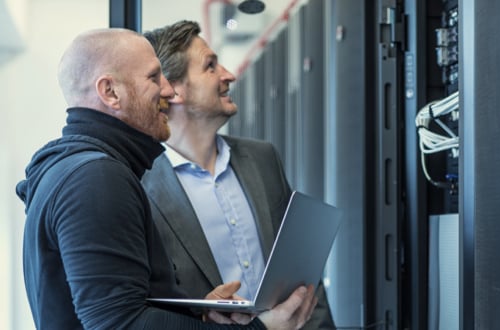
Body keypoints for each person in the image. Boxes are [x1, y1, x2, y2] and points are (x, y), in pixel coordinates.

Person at [16, 27, 316, 329]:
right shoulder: (95, 178)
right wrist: (262, 329)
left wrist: (196, 316)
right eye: (153, 77)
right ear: (110, 92)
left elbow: (123, 306)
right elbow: (121, 323)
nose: (169, 91)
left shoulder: (76, 170)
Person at [141, 20, 335, 329]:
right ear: (173, 89)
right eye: (210, 67)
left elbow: (303, 271)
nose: (228, 75)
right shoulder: (142, 185)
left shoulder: (262, 158)